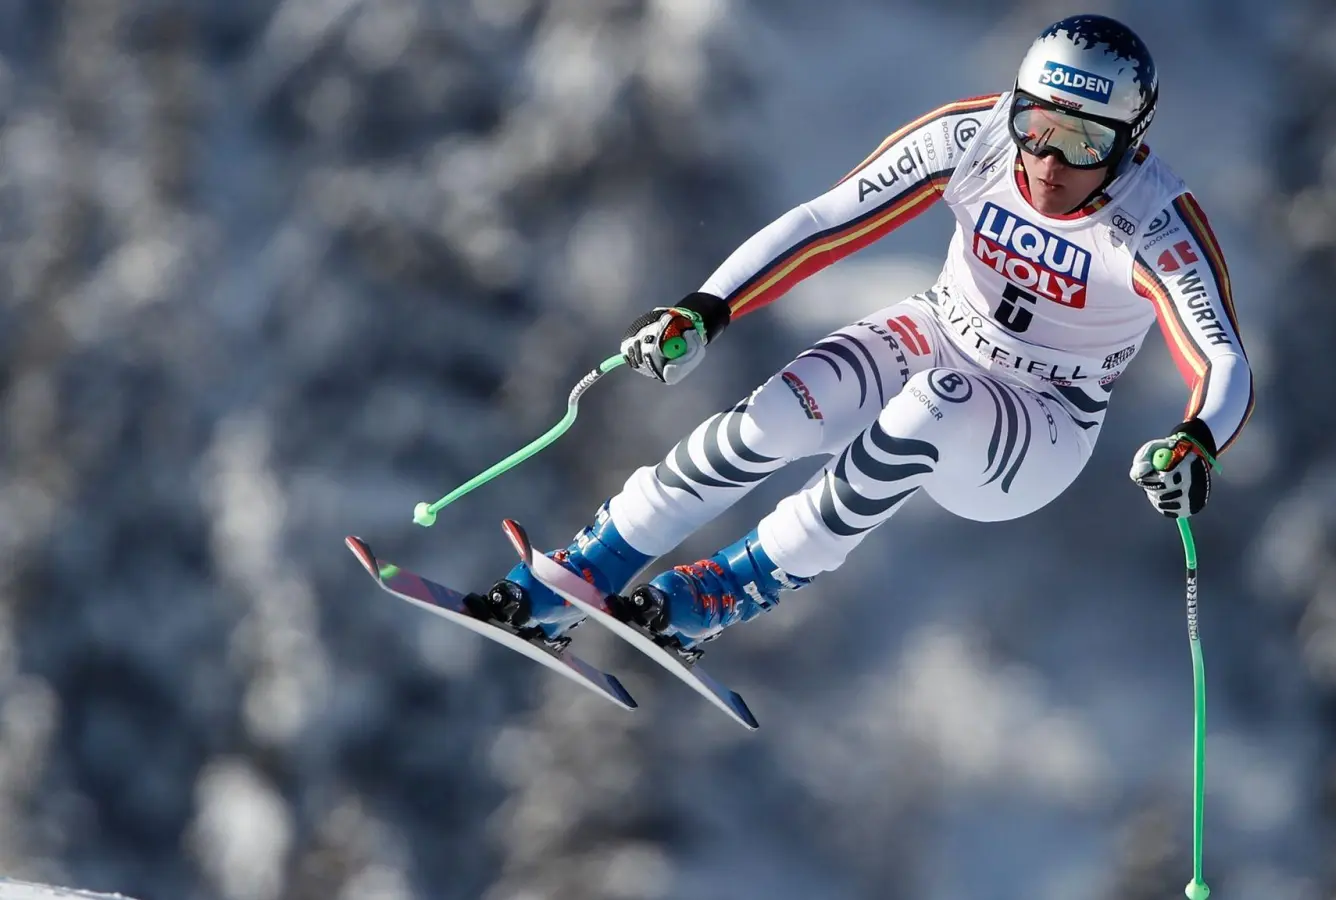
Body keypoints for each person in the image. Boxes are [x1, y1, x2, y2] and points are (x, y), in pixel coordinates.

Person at [463, 14, 1254, 653]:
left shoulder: (1152, 222)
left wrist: (1196, 441)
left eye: (1085, 144)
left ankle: (736, 585)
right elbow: (827, 221)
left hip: (1040, 420)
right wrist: (704, 309)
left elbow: (1221, 357)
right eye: (1037, 126)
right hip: (940, 327)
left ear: (1132, 142)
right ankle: (583, 571)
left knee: (935, 403)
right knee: (773, 417)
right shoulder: (972, 139)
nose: (1048, 162)